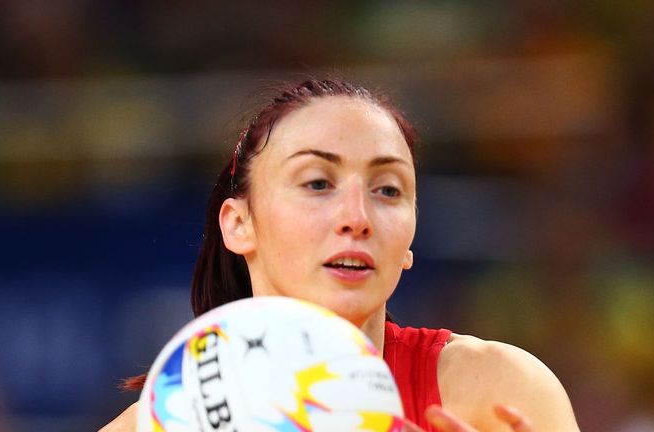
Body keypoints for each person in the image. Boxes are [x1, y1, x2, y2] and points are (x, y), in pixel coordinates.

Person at [100, 79, 579, 432]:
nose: (357, 217)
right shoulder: (158, 424)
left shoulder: (496, 393)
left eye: (387, 190)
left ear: (409, 244)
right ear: (239, 223)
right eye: (317, 183)